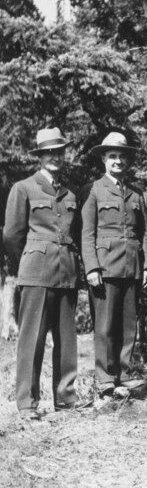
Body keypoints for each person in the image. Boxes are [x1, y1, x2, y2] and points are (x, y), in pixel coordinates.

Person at [3, 128, 83, 419]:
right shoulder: (23, 188)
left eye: (59, 151)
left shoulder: (70, 192)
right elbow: (12, 236)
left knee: (66, 339)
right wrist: (28, 261)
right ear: (40, 156)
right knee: (32, 339)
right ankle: (26, 403)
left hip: (66, 273)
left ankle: (66, 396)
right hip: (35, 273)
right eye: (49, 152)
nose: (55, 156)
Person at [81, 132, 147, 397]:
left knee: (127, 324)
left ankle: (124, 373)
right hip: (105, 267)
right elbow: (87, 233)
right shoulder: (93, 190)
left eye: (122, 156)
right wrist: (91, 267)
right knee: (104, 325)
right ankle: (105, 378)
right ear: (103, 159)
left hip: (132, 266)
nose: (118, 161)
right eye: (112, 156)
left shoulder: (136, 194)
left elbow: (145, 234)